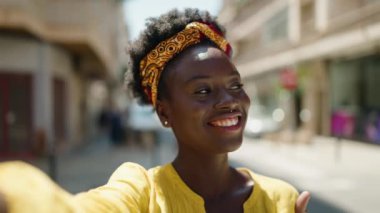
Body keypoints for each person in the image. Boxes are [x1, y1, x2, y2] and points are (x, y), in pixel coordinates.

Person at [0, 8, 310, 213]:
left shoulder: (280, 199)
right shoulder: (141, 192)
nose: (229, 100)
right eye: (203, 90)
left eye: (235, 85)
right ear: (164, 112)